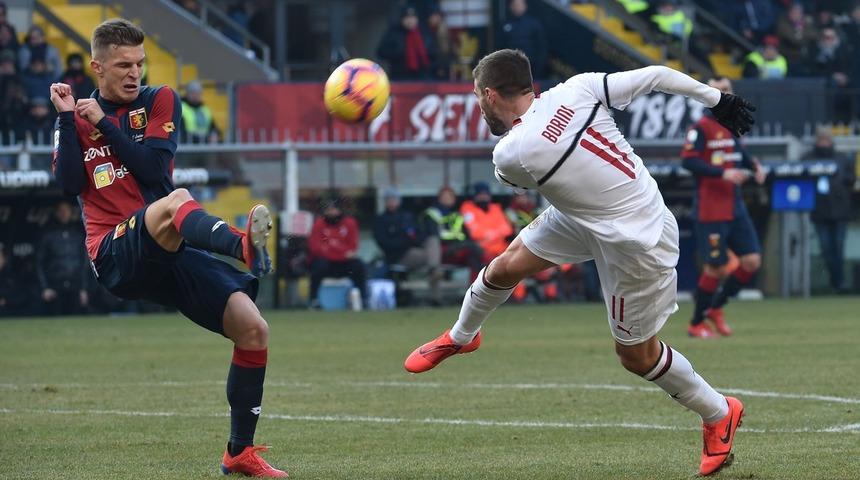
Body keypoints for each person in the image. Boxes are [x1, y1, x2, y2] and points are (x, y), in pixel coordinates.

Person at [404, 49, 755, 476]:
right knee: (505, 267)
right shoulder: (579, 87)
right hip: (585, 215)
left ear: (491, 94)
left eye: (479, 97)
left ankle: (719, 412)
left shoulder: (511, 154)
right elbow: (658, 75)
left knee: (637, 357)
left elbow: (515, 178)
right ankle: (461, 336)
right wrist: (718, 102)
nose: (479, 106)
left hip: (635, 242)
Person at [50, 19, 286, 477]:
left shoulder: (159, 100)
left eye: (140, 63)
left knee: (252, 328)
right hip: (114, 253)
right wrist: (66, 118)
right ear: (98, 67)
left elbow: (152, 167)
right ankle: (242, 246)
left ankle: (239, 452)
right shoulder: (75, 119)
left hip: (165, 242)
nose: (134, 72)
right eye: (123, 65)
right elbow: (66, 186)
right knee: (175, 202)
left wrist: (106, 126)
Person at [682, 77, 765, 338]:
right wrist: (722, 174)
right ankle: (696, 323)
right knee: (716, 268)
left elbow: (738, 152)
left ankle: (716, 307)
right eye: (718, 91)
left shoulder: (731, 126)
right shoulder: (700, 128)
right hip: (711, 209)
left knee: (751, 261)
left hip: (735, 205)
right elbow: (688, 161)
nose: (724, 94)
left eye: (727, 90)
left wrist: (754, 166)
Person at [804, 127, 855, 292]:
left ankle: (839, 283)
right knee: (826, 249)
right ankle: (837, 282)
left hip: (840, 211)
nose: (824, 143)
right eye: (821, 140)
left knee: (838, 248)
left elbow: (851, 179)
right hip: (819, 211)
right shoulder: (808, 158)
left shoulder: (842, 159)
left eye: (827, 140)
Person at [373, 187, 438, 300]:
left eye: (394, 199)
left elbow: (419, 235)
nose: (392, 202)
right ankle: (434, 270)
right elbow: (385, 243)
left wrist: (413, 240)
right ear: (385, 202)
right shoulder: (381, 220)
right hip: (398, 256)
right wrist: (407, 242)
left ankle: (434, 269)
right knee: (429, 256)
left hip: (414, 250)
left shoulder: (407, 216)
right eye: (389, 199)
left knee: (433, 240)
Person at [307, 195, 366, 308]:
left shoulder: (350, 223)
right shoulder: (319, 223)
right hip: (327, 264)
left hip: (344, 264)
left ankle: (363, 299)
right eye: (328, 209)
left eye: (333, 209)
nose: (331, 212)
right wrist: (340, 251)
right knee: (318, 266)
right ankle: (314, 300)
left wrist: (332, 248)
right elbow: (316, 248)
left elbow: (353, 248)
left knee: (358, 266)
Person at [35, 200, 90, 316]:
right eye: (60, 210)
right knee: (54, 320)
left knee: (77, 321)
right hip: (55, 286)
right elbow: (39, 263)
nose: (63, 213)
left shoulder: (78, 234)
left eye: (66, 210)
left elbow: (84, 262)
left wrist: (83, 288)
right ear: (56, 213)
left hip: (75, 285)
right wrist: (45, 287)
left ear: (71, 212)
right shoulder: (47, 234)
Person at [420, 186, 485, 283]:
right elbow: (434, 236)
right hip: (441, 250)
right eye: (445, 196)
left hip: (458, 249)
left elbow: (465, 234)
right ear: (439, 198)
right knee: (473, 250)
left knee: (476, 255)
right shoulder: (432, 213)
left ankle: (476, 290)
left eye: (450, 196)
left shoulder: (457, 215)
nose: (447, 199)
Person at [460, 181, 513, 263]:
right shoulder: (467, 208)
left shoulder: (495, 208)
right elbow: (475, 232)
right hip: (482, 250)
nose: (483, 197)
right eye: (480, 194)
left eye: (485, 194)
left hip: (501, 248)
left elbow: (507, 229)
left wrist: (490, 235)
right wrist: (497, 234)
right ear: (475, 196)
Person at [377, 6, 436, 80]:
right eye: (407, 17)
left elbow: (434, 54)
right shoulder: (393, 33)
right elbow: (381, 52)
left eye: (412, 17)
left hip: (423, 77)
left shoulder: (424, 33)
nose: (410, 20)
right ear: (402, 19)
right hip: (399, 76)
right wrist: (397, 51)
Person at [500, 0, 546, 79]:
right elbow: (500, 45)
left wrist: (540, 65)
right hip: (511, 65)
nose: (517, 7)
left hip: (530, 64)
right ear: (510, 7)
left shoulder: (534, 24)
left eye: (520, 5)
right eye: (515, 5)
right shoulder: (505, 24)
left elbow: (541, 45)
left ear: (525, 6)